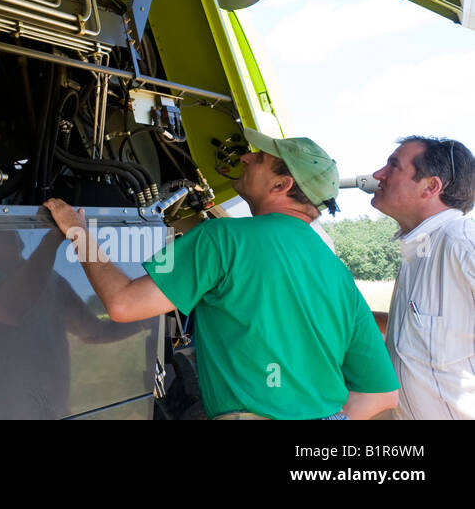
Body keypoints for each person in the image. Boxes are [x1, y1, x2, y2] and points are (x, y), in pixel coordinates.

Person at [44, 128, 398, 420]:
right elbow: (383, 393)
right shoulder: (336, 271)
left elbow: (123, 304)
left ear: (282, 185)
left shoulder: (223, 238)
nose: (245, 157)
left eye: (258, 158)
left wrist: (78, 232)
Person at [369, 135, 475, 419]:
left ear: (431, 186)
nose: (378, 175)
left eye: (393, 166)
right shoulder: (419, 249)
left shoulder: (462, 242)